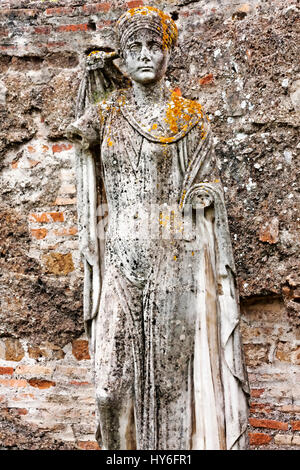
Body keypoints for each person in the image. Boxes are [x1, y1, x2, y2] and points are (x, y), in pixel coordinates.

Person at [66, 6, 249, 450]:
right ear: (123, 60)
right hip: (121, 260)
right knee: (109, 389)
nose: (146, 55)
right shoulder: (107, 114)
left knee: (171, 389)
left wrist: (206, 197)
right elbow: (74, 134)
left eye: (155, 46)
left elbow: (208, 185)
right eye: (135, 48)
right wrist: (91, 76)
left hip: (175, 258)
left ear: (168, 53)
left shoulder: (190, 118)